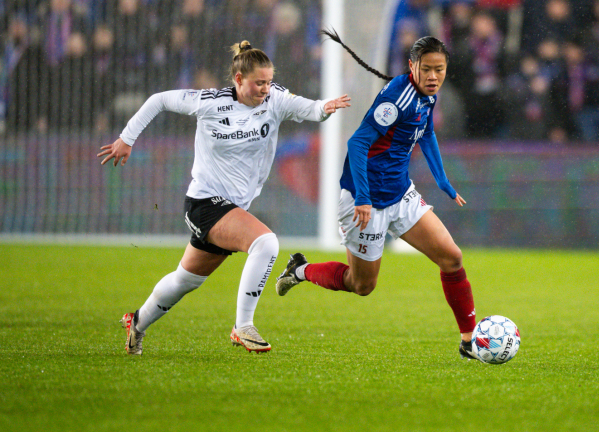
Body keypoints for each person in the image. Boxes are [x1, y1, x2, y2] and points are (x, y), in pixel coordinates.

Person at [98, 40, 350, 355]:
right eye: (259, 82)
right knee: (266, 243)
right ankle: (243, 326)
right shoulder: (209, 102)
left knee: (185, 281)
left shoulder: (275, 99)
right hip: (205, 203)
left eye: (269, 82)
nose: (265, 89)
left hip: (232, 208)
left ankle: (137, 323)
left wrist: (325, 107)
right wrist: (126, 138)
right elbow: (158, 100)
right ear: (238, 79)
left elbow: (310, 109)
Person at [275, 30, 479, 360]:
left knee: (451, 257)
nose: (433, 76)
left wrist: (443, 181)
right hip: (365, 199)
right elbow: (357, 143)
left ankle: (469, 341)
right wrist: (364, 198)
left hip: (400, 193)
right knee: (362, 285)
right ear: (412, 66)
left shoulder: (428, 95)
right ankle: (300, 270)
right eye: (426, 69)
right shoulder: (396, 99)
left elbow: (425, 132)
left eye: (439, 69)